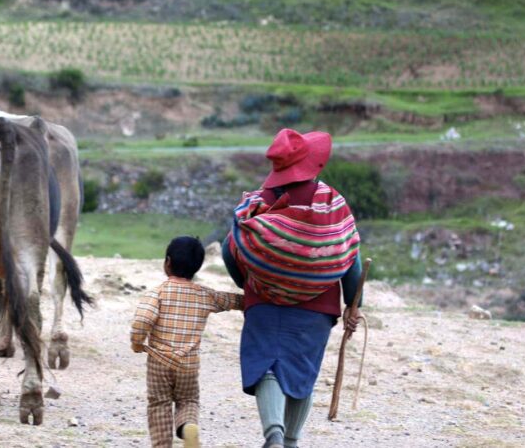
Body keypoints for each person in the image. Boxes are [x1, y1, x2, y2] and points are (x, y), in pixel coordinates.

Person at [223, 128, 363, 448]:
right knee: (303, 370)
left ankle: (273, 434)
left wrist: (248, 287)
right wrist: (354, 304)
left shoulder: (258, 203)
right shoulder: (331, 203)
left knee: (267, 364)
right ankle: (290, 442)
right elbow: (349, 255)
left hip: (264, 301)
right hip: (317, 307)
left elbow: (230, 249)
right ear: (313, 164)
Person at [130, 236, 245, 448]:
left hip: (158, 362)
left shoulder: (157, 293)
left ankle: (162, 445)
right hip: (188, 364)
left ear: (167, 262)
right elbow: (235, 301)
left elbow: (142, 320)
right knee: (188, 400)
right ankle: (187, 426)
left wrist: (137, 343)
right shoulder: (204, 295)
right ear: (197, 267)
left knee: (159, 404)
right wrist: (257, 300)